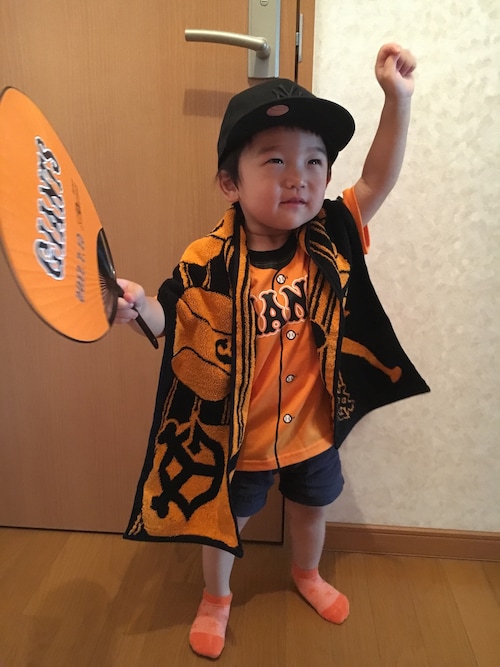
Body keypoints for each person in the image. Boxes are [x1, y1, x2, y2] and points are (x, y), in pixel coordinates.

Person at [115, 43, 429, 660]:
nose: (299, 176)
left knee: (313, 508)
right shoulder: (207, 259)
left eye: (315, 161)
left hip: (313, 431)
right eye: (276, 160)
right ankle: (216, 598)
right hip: (240, 440)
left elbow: (378, 179)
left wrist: (397, 99)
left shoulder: (331, 234)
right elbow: (171, 322)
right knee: (224, 523)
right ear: (230, 183)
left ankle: (306, 573)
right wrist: (137, 306)